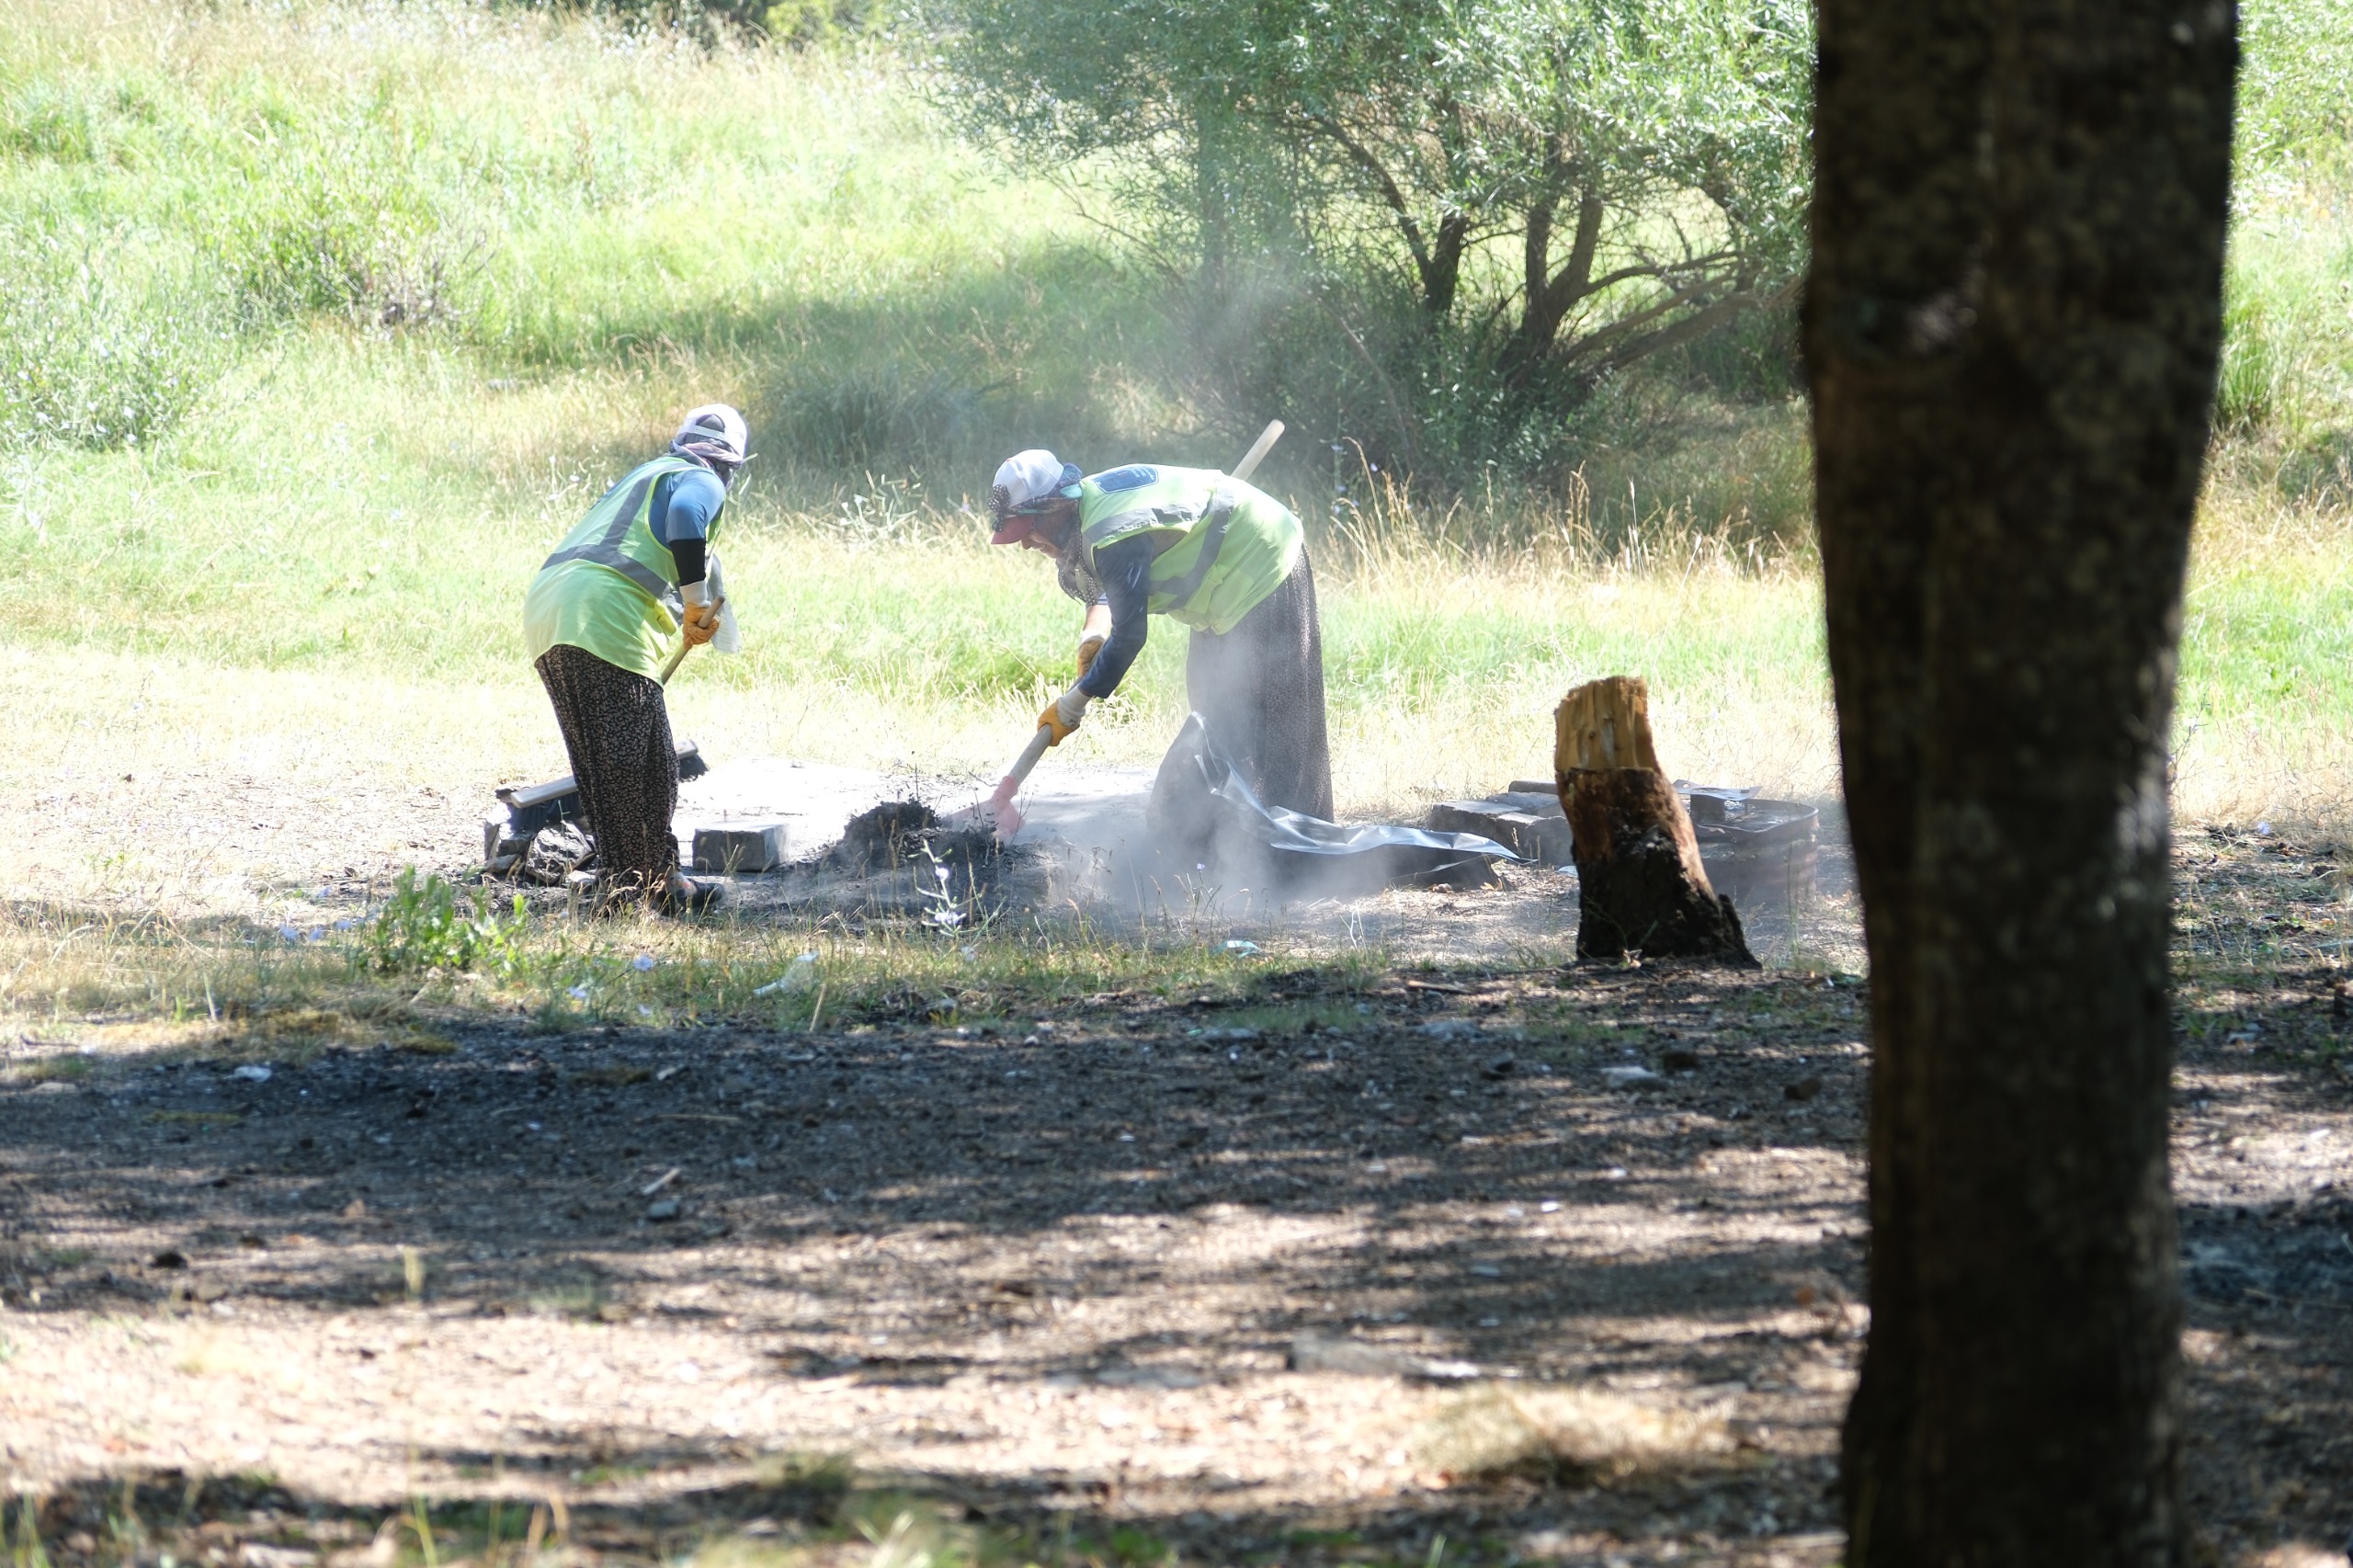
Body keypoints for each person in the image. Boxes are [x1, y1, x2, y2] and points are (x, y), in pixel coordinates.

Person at [987, 450, 1333, 818]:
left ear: (1055, 508)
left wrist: (1072, 704)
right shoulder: (1087, 516)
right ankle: (1222, 834)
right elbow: (1108, 590)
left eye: (1029, 530)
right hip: (1222, 589)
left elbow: (1130, 636)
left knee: (1264, 715)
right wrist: (1092, 637)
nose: (1025, 543)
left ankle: (1289, 838)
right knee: (1211, 708)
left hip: (1260, 562)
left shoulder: (1112, 530)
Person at [522, 404, 749, 914]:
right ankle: (630, 890)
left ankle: (650, 881)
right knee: (639, 766)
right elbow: (687, 518)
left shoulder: (648, 474)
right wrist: (693, 601)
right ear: (732, 464)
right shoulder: (701, 479)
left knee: (608, 764)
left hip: (550, 608)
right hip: (605, 615)